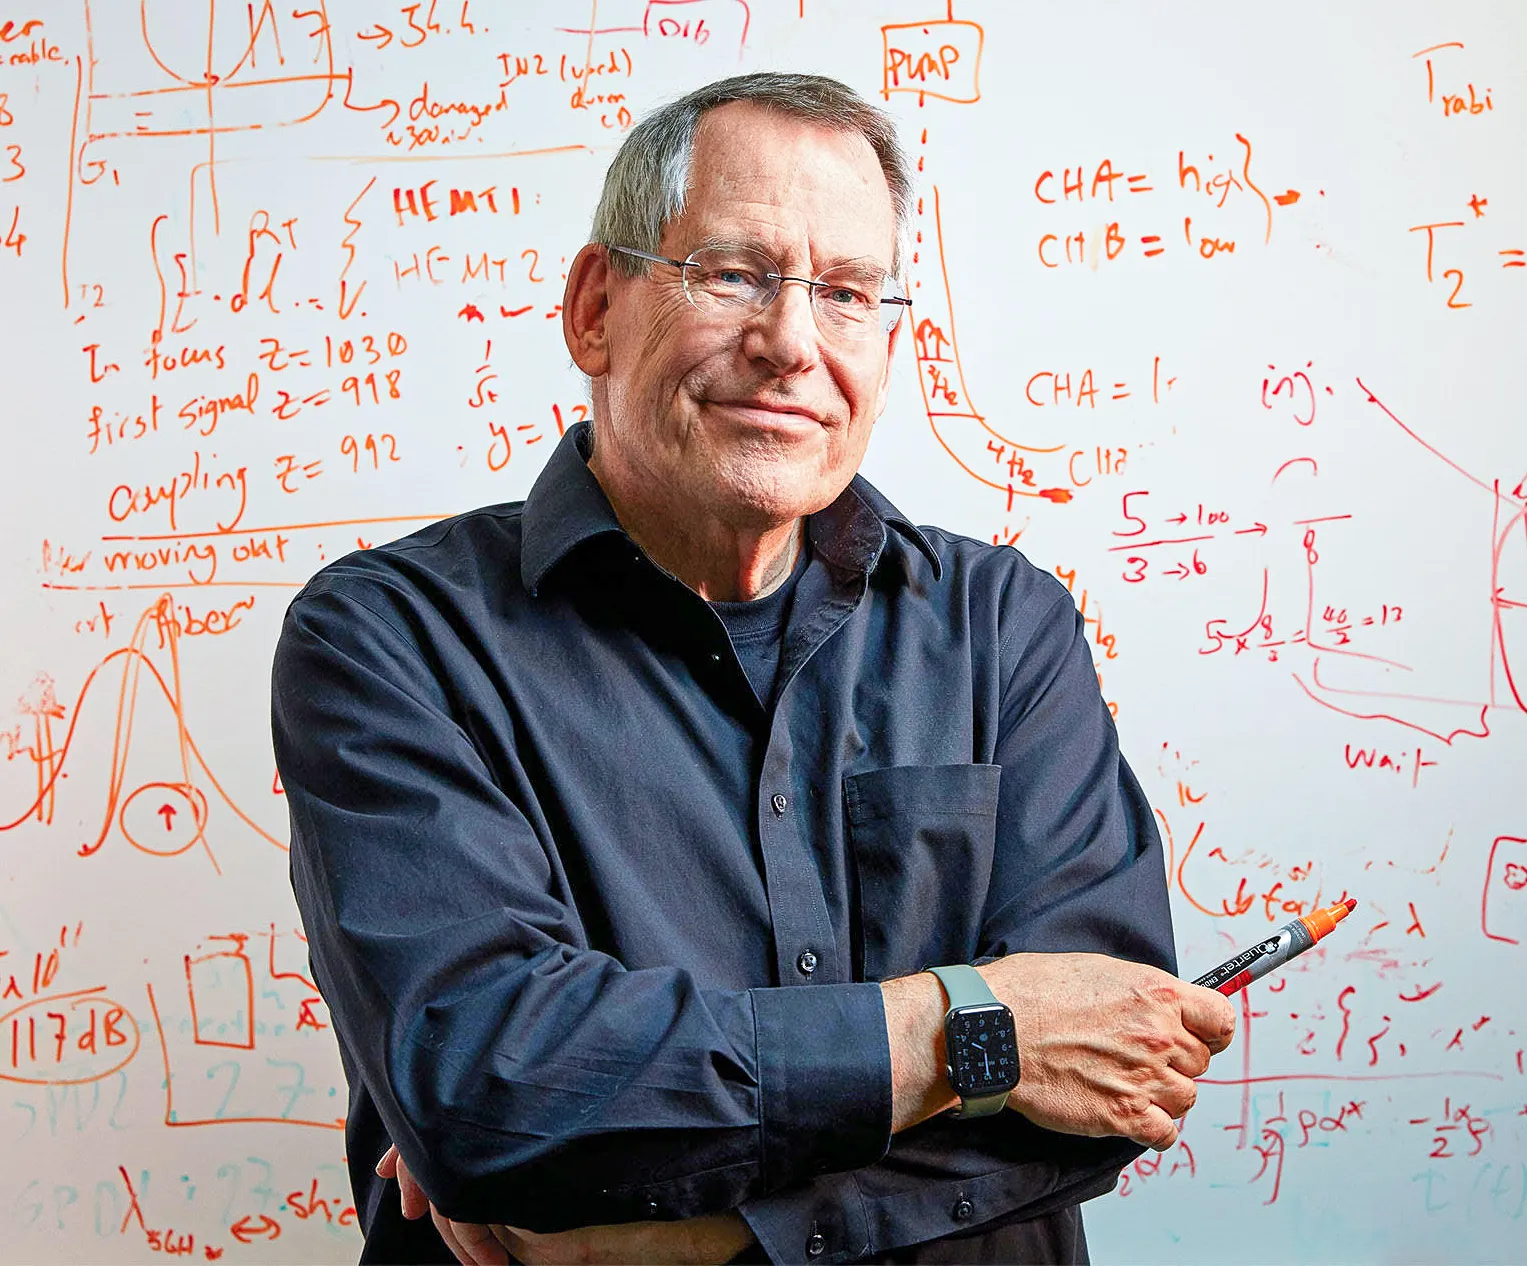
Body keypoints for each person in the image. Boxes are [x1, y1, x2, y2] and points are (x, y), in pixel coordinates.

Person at [272, 72, 1235, 1265]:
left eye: (844, 293)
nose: (790, 343)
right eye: (734, 274)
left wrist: (680, 1238)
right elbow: (489, 1089)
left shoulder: (1004, 628)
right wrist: (974, 1031)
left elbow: (1116, 1068)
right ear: (593, 309)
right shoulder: (390, 640)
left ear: (888, 343)